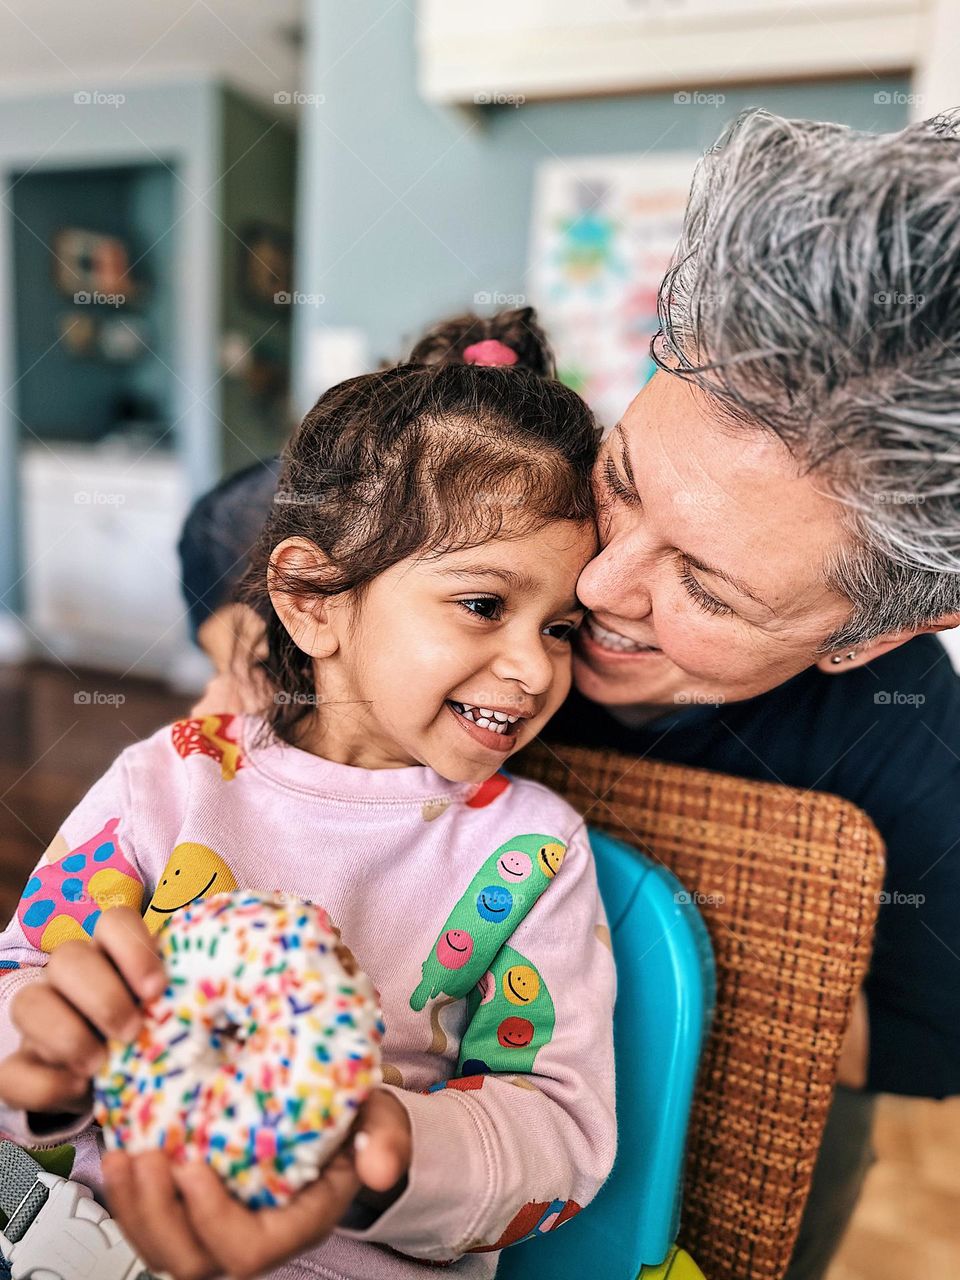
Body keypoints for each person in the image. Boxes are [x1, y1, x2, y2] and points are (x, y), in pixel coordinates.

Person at [179, 109, 960, 1278]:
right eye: (627, 478)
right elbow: (233, 522)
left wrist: (727, 965)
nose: (596, 584)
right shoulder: (516, 495)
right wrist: (268, 641)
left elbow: (930, 1035)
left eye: (706, 584)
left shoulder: (903, 747)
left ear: (873, 634)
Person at [0, 324, 616, 1280]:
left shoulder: (531, 855)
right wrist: (46, 1061)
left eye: (565, 627)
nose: (536, 667)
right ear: (311, 600)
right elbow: (22, 983)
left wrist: (379, 1155)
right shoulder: (171, 779)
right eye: (485, 605)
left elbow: (560, 1138)